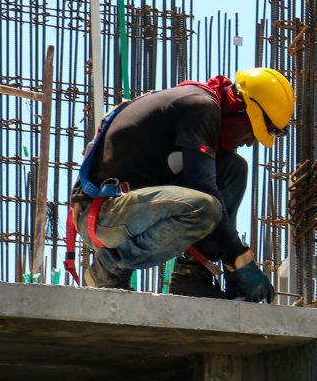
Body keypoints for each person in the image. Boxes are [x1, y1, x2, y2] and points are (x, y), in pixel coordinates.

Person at [65, 68, 292, 301]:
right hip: (102, 213)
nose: (249, 142)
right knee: (204, 207)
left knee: (234, 169)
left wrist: (231, 261)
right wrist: (240, 258)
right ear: (239, 110)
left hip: (128, 208)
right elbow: (202, 187)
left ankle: (192, 276)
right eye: (252, 131)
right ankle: (110, 268)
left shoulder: (203, 106)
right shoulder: (200, 106)